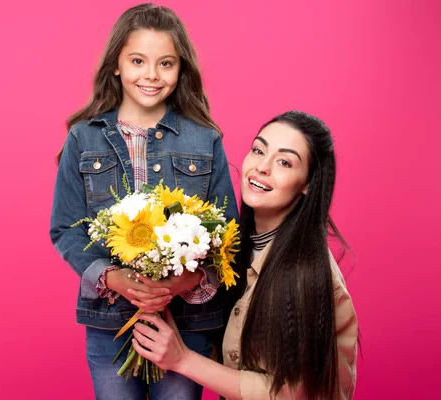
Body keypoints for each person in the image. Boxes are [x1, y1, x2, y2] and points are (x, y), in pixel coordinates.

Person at [49, 3, 239, 399]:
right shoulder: (83, 139)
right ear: (116, 64)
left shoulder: (205, 140)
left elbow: (226, 237)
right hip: (108, 324)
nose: (151, 75)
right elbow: (66, 228)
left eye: (166, 63)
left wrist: (178, 283)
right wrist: (113, 277)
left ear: (180, 69)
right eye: (138, 60)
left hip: (188, 324)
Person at [131, 111, 358, 399]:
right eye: (258, 150)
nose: (262, 167)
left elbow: (287, 394)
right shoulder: (235, 249)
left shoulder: (304, 271)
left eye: (284, 162)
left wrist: (182, 359)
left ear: (307, 184)